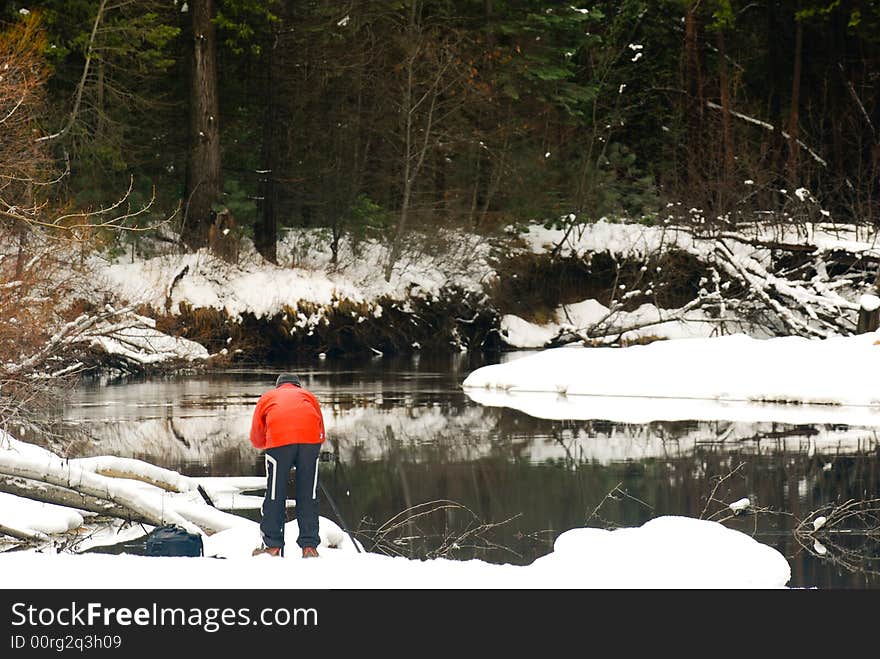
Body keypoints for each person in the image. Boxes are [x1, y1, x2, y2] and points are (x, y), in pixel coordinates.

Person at [249, 373, 326, 558]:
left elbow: (256, 437)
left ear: (278, 386)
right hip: (310, 442)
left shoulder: (268, 397)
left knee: (275, 494)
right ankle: (309, 547)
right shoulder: (308, 396)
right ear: (297, 386)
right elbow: (321, 431)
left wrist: (269, 444)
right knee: (308, 494)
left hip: (279, 443)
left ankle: (272, 546)